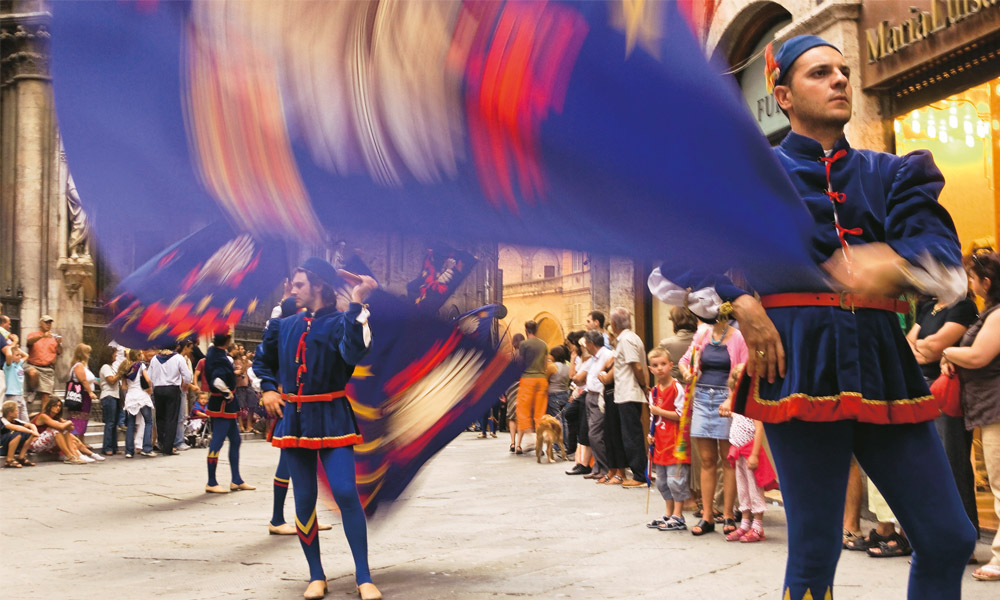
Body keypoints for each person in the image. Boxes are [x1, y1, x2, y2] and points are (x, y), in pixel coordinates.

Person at [650, 35, 976, 598]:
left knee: (947, 536)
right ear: (783, 96)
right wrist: (740, 300)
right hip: (795, 363)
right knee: (814, 547)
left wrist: (893, 262)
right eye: (820, 73)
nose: (840, 80)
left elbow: (943, 256)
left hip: (884, 363)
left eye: (844, 71)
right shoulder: (749, 176)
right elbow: (676, 260)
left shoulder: (892, 174)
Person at [254, 257, 381, 600]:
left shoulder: (344, 321)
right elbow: (262, 359)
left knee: (344, 493)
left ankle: (364, 576)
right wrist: (267, 388)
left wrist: (357, 300)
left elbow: (355, 352)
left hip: (332, 413)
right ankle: (316, 574)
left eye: (298, 285)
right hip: (295, 419)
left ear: (318, 286)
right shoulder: (286, 324)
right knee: (305, 498)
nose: (292, 290)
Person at [942, 251, 1000, 581]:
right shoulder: (988, 313)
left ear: (986, 283)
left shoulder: (997, 314)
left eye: (973, 277)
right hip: (987, 406)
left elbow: (978, 356)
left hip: (995, 406)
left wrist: (949, 352)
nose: (970, 283)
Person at [679, 313, 745, 536]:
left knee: (728, 460)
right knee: (707, 460)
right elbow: (684, 361)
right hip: (701, 398)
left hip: (724, 400)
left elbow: (744, 371)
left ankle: (727, 514)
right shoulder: (702, 334)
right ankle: (707, 516)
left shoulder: (738, 337)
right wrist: (687, 372)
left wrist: (731, 397)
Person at [203, 330, 254, 494]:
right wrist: (228, 393)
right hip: (223, 405)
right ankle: (211, 481)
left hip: (226, 406)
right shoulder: (219, 357)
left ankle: (236, 480)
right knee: (217, 442)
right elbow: (217, 381)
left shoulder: (213, 352)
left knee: (236, 440)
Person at [645, 348, 689, 531]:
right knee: (662, 481)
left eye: (663, 364)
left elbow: (681, 414)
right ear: (650, 369)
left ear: (671, 365)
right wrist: (650, 433)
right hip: (660, 442)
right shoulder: (653, 391)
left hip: (675, 442)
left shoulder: (677, 388)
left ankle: (679, 515)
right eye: (655, 365)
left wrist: (659, 412)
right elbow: (652, 418)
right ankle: (669, 513)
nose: (660, 368)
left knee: (675, 479)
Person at [608, 307, 648, 488]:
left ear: (614, 324)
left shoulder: (625, 340)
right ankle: (640, 471)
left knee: (632, 435)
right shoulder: (632, 337)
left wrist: (643, 385)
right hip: (627, 393)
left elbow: (636, 366)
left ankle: (639, 475)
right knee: (631, 434)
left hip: (629, 392)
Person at [148, 340, 193, 456]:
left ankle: (161, 443)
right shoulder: (178, 358)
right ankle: (168, 447)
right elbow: (187, 377)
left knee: (160, 418)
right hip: (172, 389)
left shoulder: (154, 358)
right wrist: (187, 381)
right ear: (175, 347)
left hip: (158, 389)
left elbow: (150, 377)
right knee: (171, 418)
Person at [580, 330, 614, 483]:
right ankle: (597, 468)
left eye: (586, 344)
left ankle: (605, 468)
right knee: (591, 433)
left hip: (598, 397)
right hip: (590, 395)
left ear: (591, 343)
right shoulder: (594, 358)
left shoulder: (606, 355)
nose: (585, 347)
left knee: (595, 434)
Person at [30, 398, 103, 464]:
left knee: (69, 436)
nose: (57, 408)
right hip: (35, 444)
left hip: (48, 444)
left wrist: (66, 423)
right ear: (49, 406)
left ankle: (84, 455)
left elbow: (71, 428)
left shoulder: (57, 418)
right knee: (56, 431)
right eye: (55, 405)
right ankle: (70, 456)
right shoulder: (43, 416)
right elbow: (61, 426)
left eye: (59, 406)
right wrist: (69, 422)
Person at [514, 320, 548, 454]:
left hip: (528, 379)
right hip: (542, 379)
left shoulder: (524, 344)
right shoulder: (544, 344)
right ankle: (540, 443)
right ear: (536, 329)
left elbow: (520, 361)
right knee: (540, 413)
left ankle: (531, 439)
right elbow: (545, 363)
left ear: (526, 330)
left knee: (522, 410)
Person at [25, 315, 62, 413]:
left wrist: (59, 343)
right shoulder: (33, 334)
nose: (48, 324)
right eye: (46, 322)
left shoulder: (53, 337)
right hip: (33, 365)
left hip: (47, 369)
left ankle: (43, 418)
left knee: (46, 396)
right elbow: (28, 343)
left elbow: (59, 352)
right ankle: (33, 390)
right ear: (40, 323)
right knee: (33, 373)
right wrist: (42, 336)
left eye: (50, 322)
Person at [123, 350, 155, 458]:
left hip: (130, 397)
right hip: (141, 396)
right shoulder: (141, 366)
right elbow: (148, 379)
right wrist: (148, 387)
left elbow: (123, 386)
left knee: (131, 424)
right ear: (137, 356)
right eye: (141, 354)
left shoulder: (125, 367)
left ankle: (129, 451)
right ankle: (146, 448)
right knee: (148, 421)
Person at [98, 346, 128, 456]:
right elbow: (111, 380)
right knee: (110, 423)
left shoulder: (111, 367)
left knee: (114, 423)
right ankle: (107, 447)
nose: (116, 356)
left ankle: (114, 447)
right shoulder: (105, 367)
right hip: (108, 395)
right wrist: (120, 373)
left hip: (114, 396)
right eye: (114, 354)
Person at [66, 343, 95, 436]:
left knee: (83, 418)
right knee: (78, 418)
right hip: (81, 395)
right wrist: (90, 392)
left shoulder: (84, 366)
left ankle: (81, 441)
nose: (89, 355)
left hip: (85, 396)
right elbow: (83, 380)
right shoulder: (78, 366)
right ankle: (75, 441)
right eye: (88, 353)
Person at [1, 399, 38, 467]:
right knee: (17, 434)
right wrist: (31, 431)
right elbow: (16, 428)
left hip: (9, 444)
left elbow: (31, 425)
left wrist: (35, 432)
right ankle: (9, 460)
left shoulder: (15, 420)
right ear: (10, 413)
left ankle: (21, 457)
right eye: (16, 410)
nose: (18, 412)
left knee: (28, 434)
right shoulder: (3, 420)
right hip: (1, 445)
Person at [3, 334, 29, 421]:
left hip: (20, 395)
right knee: (16, 421)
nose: (20, 356)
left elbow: (26, 355)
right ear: (12, 357)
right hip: (12, 396)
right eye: (17, 355)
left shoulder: (19, 364)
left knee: (25, 420)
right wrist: (13, 344)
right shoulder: (9, 366)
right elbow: (9, 356)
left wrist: (16, 349)